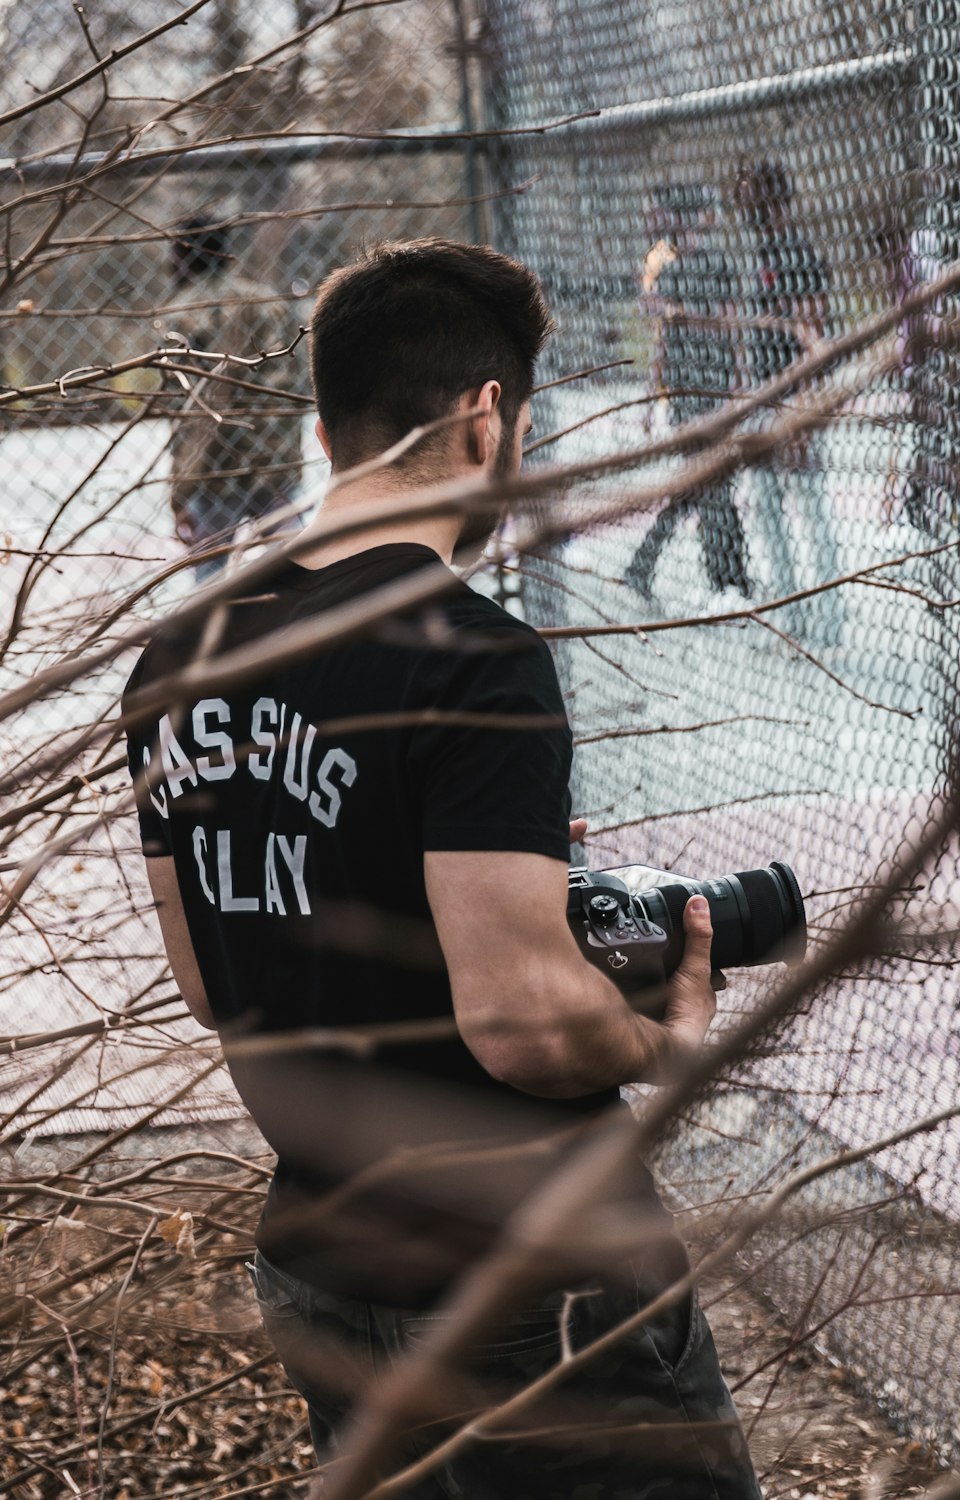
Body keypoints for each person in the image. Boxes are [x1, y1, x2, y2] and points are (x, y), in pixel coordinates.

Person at [123, 238, 761, 1498]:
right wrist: (665, 1042)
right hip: (522, 1274)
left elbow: (213, 978)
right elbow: (524, 1025)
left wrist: (475, 881)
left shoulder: (178, 654)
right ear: (485, 417)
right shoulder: (471, 657)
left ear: (325, 425)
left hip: (321, 1262)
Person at [734, 160, 844, 645]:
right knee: (770, 510)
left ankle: (828, 623)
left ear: (773, 198)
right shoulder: (763, 252)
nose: (743, 204)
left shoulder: (799, 252)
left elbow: (813, 336)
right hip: (763, 402)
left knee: (812, 511)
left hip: (794, 402)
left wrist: (805, 411)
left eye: (750, 194)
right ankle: (792, 618)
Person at [626, 185, 752, 602]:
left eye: (664, 216)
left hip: (714, 387)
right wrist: (650, 397)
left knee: (709, 484)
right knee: (707, 484)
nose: (659, 225)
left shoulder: (716, 264)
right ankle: (727, 578)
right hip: (684, 392)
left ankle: (723, 576)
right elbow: (664, 339)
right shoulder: (669, 271)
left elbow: (728, 324)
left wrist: (739, 382)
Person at [165, 217, 304, 581]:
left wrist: (179, 493)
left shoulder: (179, 314)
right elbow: (291, 386)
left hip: (213, 470)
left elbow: (180, 409)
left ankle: (215, 636)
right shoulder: (268, 302)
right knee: (297, 568)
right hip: (273, 461)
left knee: (210, 579)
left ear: (181, 255)